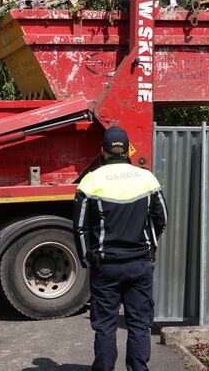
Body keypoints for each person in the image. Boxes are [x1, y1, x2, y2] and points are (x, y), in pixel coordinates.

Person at [73, 126, 167, 371]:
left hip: (106, 265)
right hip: (140, 264)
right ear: (127, 151)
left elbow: (80, 228)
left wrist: (87, 261)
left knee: (105, 325)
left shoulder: (90, 181)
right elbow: (162, 219)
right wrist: (150, 245)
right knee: (139, 323)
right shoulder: (147, 178)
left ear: (102, 151)